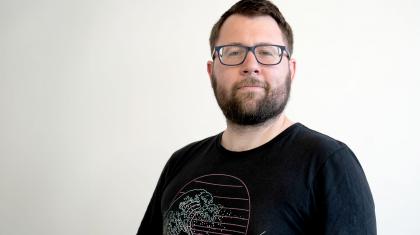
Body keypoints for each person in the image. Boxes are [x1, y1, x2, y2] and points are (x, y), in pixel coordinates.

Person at [137, 0, 376, 234]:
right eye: (233, 52)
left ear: (290, 70)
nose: (251, 65)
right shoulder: (180, 163)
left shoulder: (328, 164)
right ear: (212, 72)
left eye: (266, 52)